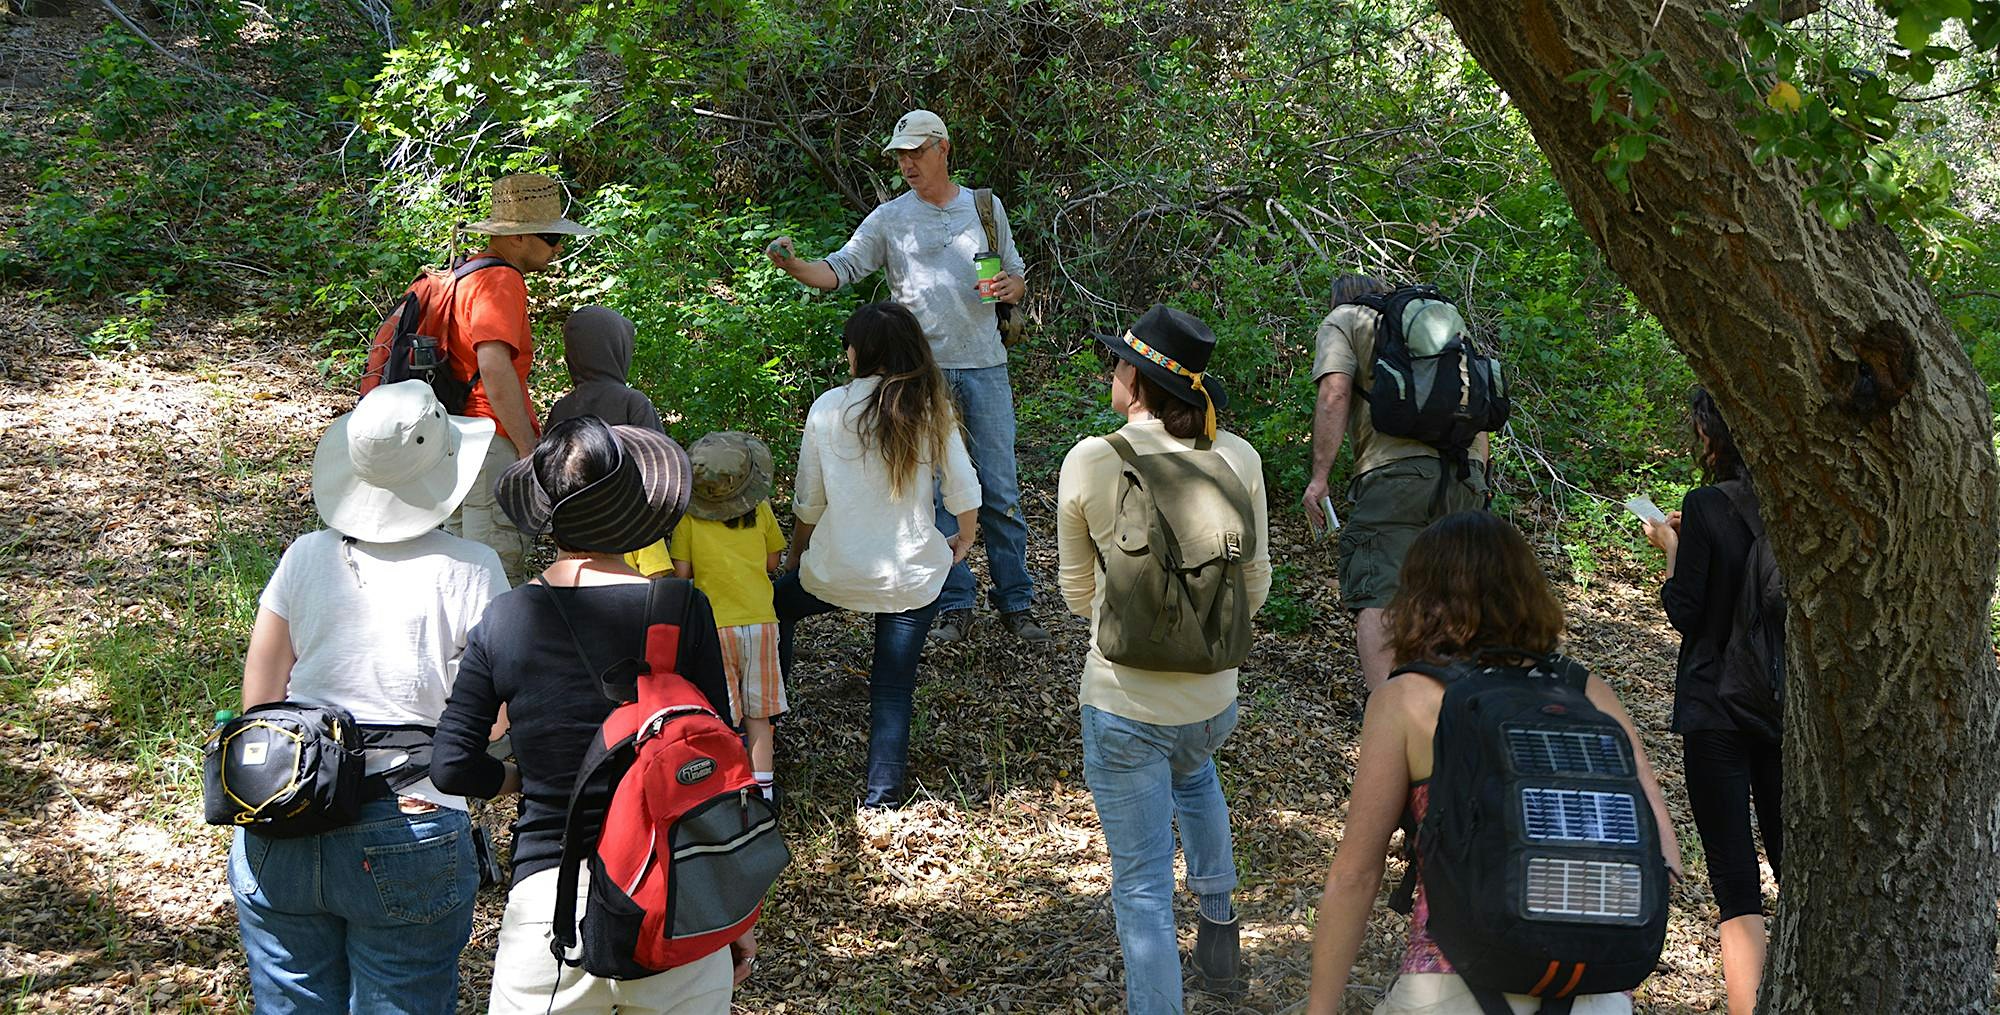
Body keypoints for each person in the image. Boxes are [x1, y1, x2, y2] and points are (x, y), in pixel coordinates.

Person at [429, 416, 754, 1014]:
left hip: (552, 905)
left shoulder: (506, 619)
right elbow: (721, 765)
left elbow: (449, 765)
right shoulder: (681, 611)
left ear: (547, 511)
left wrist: (513, 779)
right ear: (634, 506)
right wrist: (731, 916)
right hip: (675, 895)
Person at [1306, 511, 1682, 1015]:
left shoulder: (1406, 698)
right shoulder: (1589, 693)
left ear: (1419, 598)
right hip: (1592, 993)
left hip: (1449, 988)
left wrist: (1321, 1007)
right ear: (1526, 591)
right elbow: (1665, 856)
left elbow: (1355, 873)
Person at [229, 380, 509, 1014]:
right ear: (446, 472)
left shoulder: (305, 557)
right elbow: (491, 724)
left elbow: (259, 702)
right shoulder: (472, 567)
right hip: (413, 819)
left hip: (285, 810)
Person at [1057, 306, 1271, 1014]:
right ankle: (1219, 928)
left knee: (1143, 886)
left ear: (1137, 382)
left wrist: (1144, 625)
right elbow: (1256, 583)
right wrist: (1197, 640)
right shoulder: (1238, 458)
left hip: (1124, 706)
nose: (1111, 371)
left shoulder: (1092, 460)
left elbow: (1075, 590)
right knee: (1195, 766)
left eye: (1119, 362)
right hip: (1213, 703)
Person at [764, 108, 1045, 644]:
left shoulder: (985, 207)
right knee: (937, 493)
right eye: (900, 155)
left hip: (985, 365)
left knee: (1000, 490)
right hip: (917, 375)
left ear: (943, 148)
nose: (908, 164)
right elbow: (841, 268)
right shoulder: (890, 218)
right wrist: (796, 267)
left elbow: (1015, 272)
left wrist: (1014, 288)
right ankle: (954, 600)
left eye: (917, 152)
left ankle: (1016, 603)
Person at [776, 301, 980, 810]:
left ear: (859, 352)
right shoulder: (930, 407)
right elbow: (964, 490)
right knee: (892, 688)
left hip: (835, 570)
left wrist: (798, 557)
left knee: (774, 607)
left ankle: (769, 715)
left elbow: (809, 500)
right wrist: (964, 541)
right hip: (911, 576)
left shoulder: (828, 407)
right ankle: (882, 799)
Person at [1640, 388, 1782, 1015]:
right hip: (1778, 706)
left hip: (1713, 705)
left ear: (1712, 436)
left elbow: (1688, 611)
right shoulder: (1791, 507)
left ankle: (1750, 1008)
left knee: (1733, 876)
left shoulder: (1703, 506)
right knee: (1791, 852)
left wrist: (1673, 552)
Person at [1303, 275, 1491, 692]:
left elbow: (1334, 394)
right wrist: (1480, 479)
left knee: (1380, 596)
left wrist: (1319, 478)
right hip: (1463, 476)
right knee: (1449, 600)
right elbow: (1474, 405)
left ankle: (1388, 716)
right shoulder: (1439, 329)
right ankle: (1447, 716)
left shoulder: (1345, 319)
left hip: (1394, 478)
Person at [448, 172, 597, 584]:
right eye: (550, 236)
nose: (558, 246)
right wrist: (527, 447)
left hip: (455, 440)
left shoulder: (468, 273)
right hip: (488, 444)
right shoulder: (502, 280)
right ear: (516, 237)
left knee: (460, 568)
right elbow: (494, 366)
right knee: (494, 571)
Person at [671, 431, 789, 802]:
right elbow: (773, 561)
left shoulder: (689, 520)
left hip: (713, 626)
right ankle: (764, 794)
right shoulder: (762, 509)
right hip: (761, 622)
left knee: (723, 715)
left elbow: (681, 575)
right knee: (760, 717)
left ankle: (727, 790)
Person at [543, 304, 672, 577]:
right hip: (628, 525)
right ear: (618, 350)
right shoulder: (632, 402)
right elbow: (661, 466)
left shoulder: (562, 408)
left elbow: (547, 469)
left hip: (573, 525)